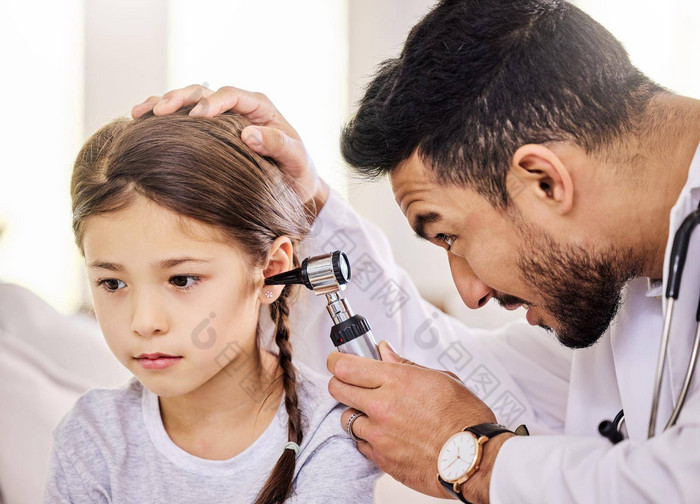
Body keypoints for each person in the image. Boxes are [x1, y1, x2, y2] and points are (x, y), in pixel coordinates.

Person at [133, 2, 700, 503]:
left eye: (450, 236)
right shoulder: (621, 275)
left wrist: (473, 461)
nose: (471, 293)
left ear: (543, 182)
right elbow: (460, 380)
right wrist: (304, 201)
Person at [43, 109, 380, 503]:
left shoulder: (330, 432)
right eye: (113, 283)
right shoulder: (92, 437)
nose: (144, 322)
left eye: (182, 280)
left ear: (271, 270)